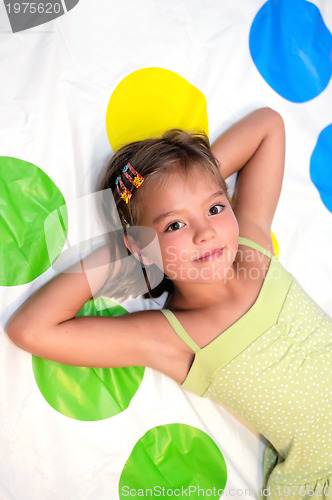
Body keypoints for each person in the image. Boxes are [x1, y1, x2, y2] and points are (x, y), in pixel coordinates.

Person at [6, 107, 332, 499]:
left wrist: (191, 177)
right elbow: (29, 329)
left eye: (215, 208)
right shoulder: (171, 336)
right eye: (175, 224)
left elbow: (268, 125)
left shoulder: (252, 248)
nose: (205, 231)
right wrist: (126, 244)